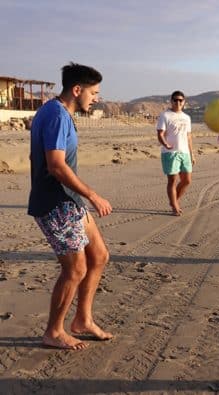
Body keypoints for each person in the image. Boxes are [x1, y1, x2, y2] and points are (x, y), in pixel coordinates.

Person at [28, 62, 114, 350]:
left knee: (99, 255)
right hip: (55, 202)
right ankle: (53, 331)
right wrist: (92, 194)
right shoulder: (55, 115)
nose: (96, 98)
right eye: (94, 92)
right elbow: (56, 166)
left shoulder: (60, 112)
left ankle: (82, 320)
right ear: (77, 90)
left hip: (69, 200)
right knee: (75, 269)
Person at [156, 91, 194, 216]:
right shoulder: (165, 115)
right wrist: (165, 144)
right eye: (175, 100)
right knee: (172, 181)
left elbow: (188, 137)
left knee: (187, 180)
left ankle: (174, 201)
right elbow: (160, 134)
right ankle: (174, 206)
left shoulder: (186, 118)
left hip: (185, 153)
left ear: (184, 102)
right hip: (170, 153)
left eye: (180, 100)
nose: (178, 102)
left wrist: (192, 154)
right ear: (171, 101)